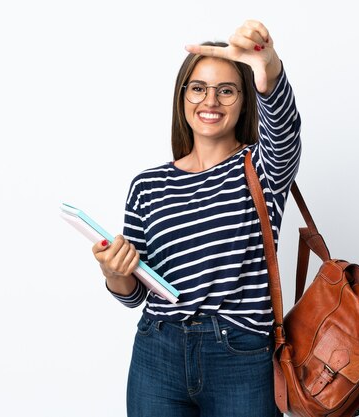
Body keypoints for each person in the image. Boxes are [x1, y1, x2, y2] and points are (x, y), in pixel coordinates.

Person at [92, 19, 301, 417]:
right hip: (158, 352)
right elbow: (135, 294)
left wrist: (268, 66)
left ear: (244, 100)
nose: (211, 101)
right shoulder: (147, 186)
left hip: (241, 354)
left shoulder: (261, 168)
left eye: (226, 90)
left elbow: (285, 128)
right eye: (199, 88)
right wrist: (114, 272)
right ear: (182, 96)